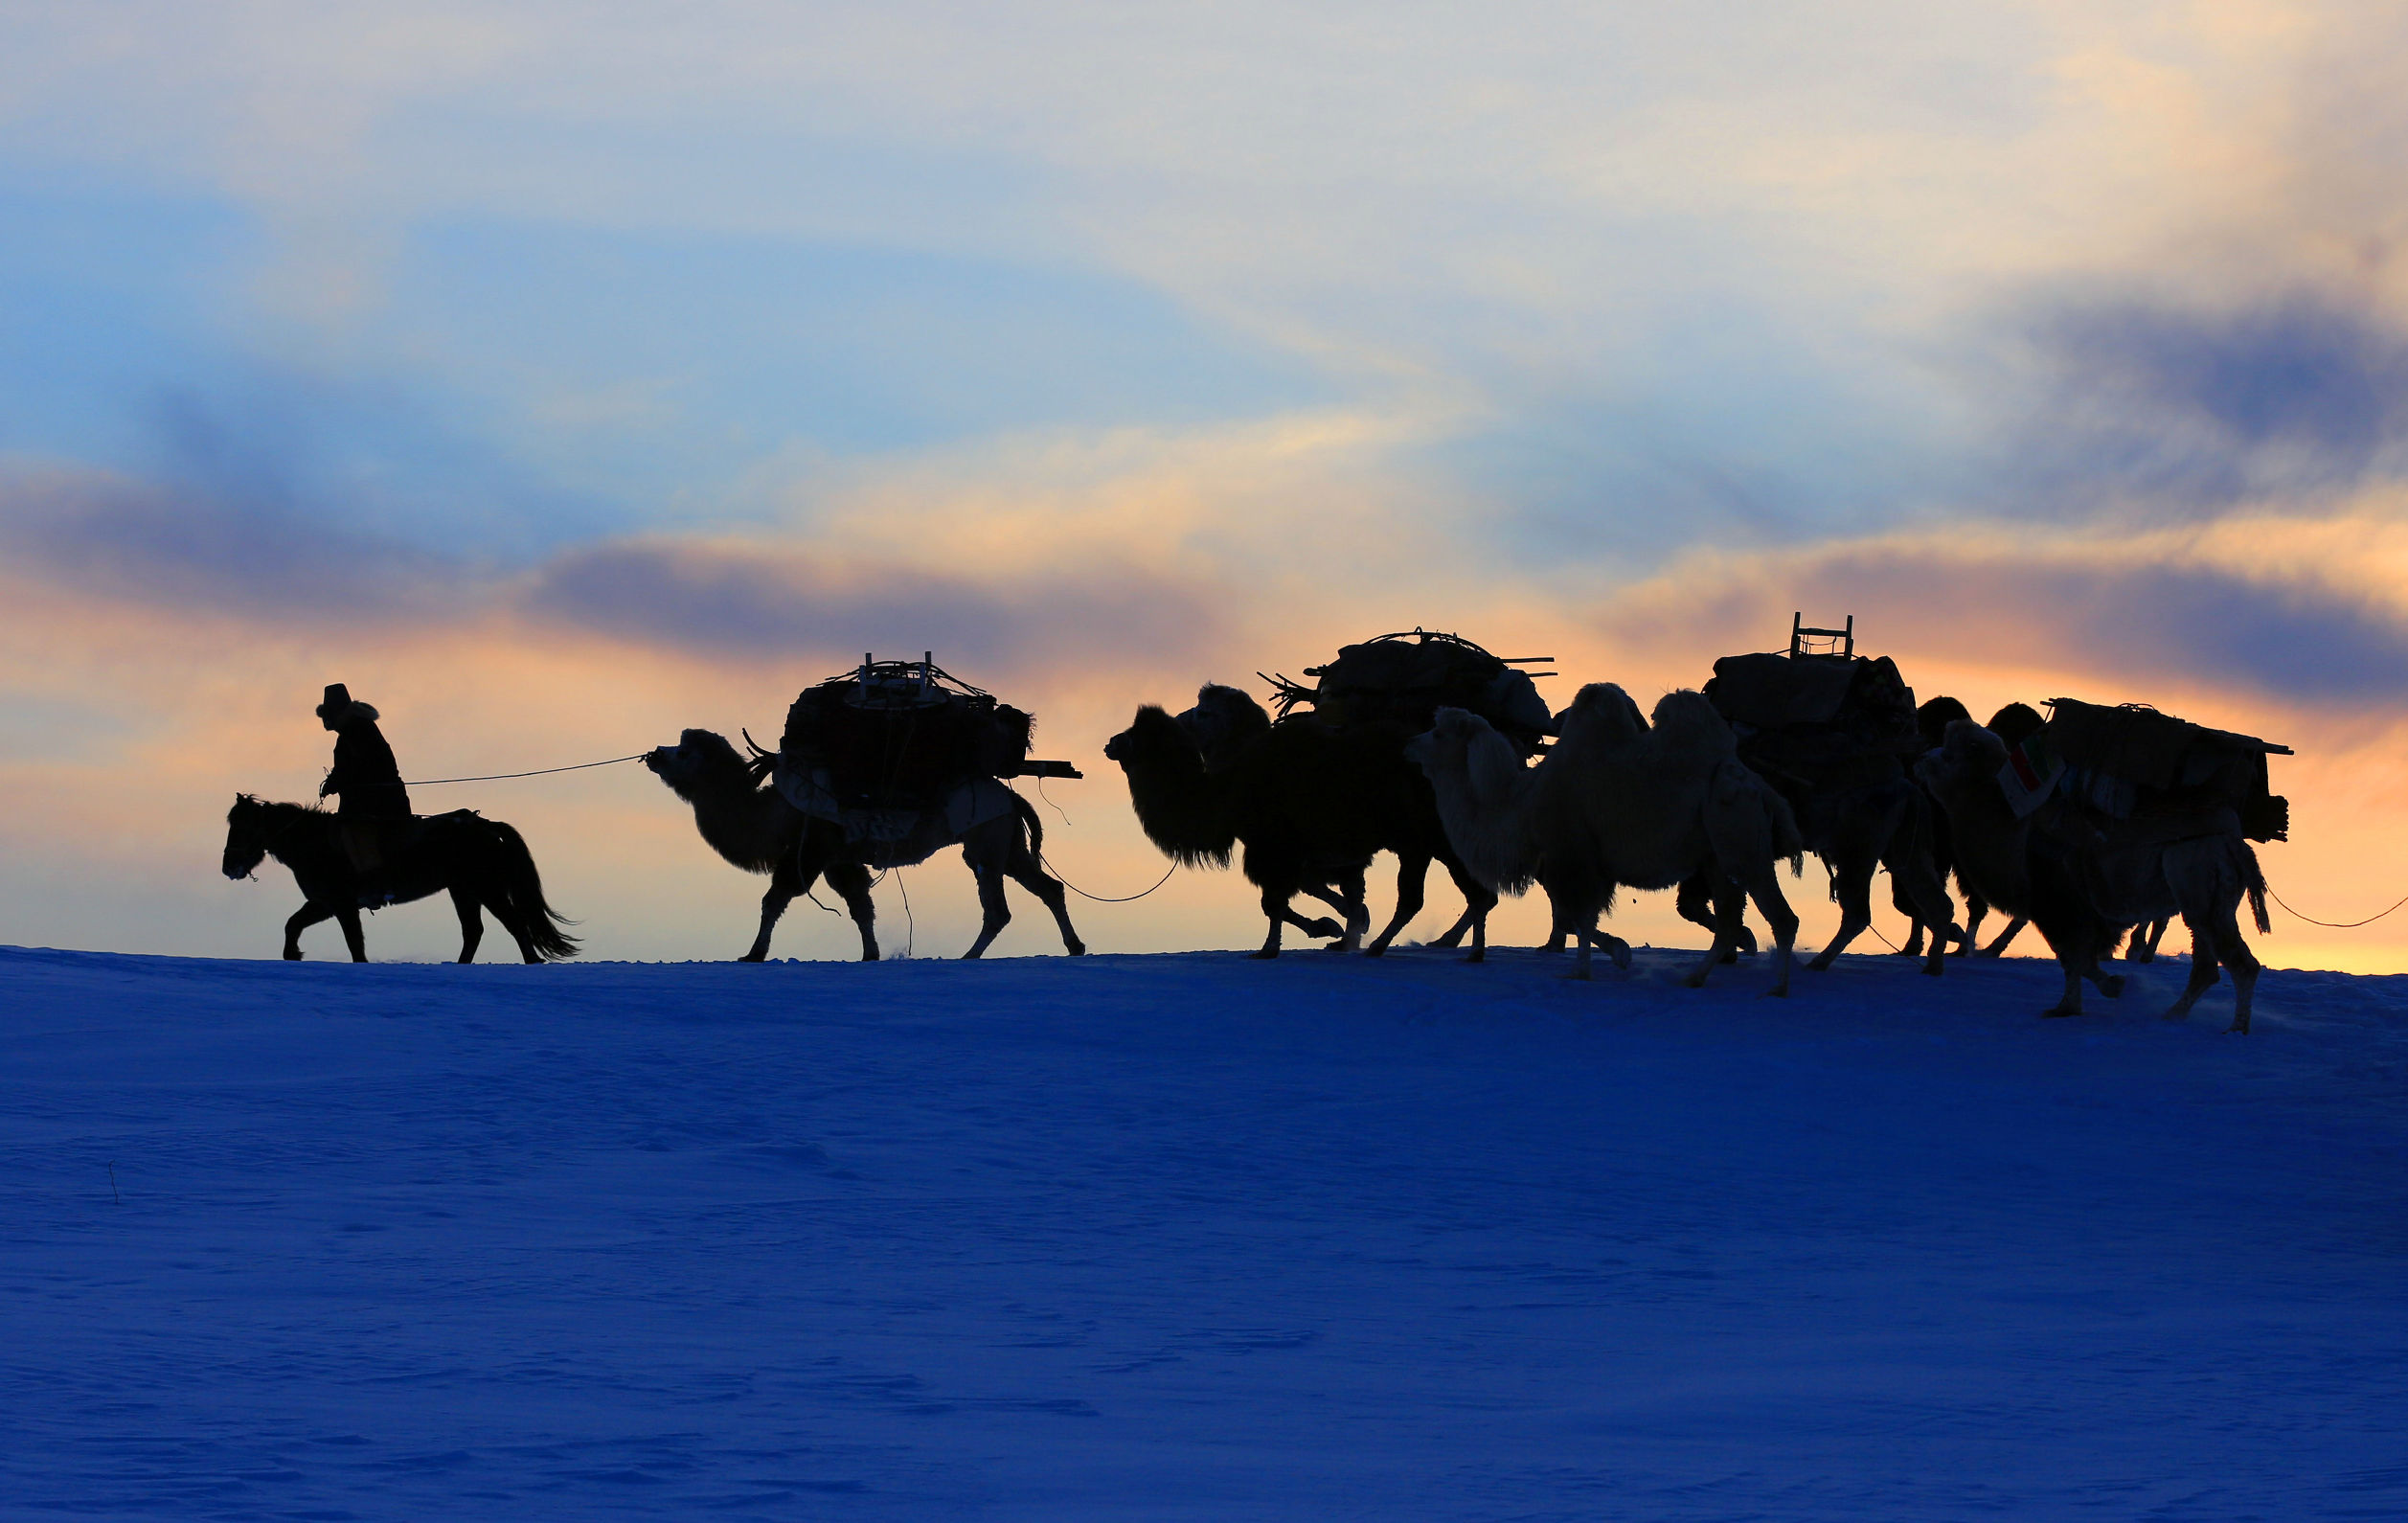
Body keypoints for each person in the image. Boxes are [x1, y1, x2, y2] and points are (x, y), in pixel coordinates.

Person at [317, 683, 413, 874]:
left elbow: (360, 765)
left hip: (376, 800)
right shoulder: (355, 730)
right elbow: (349, 766)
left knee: (354, 833)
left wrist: (336, 782)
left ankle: (374, 881)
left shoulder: (356, 730)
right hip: (374, 797)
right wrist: (335, 780)